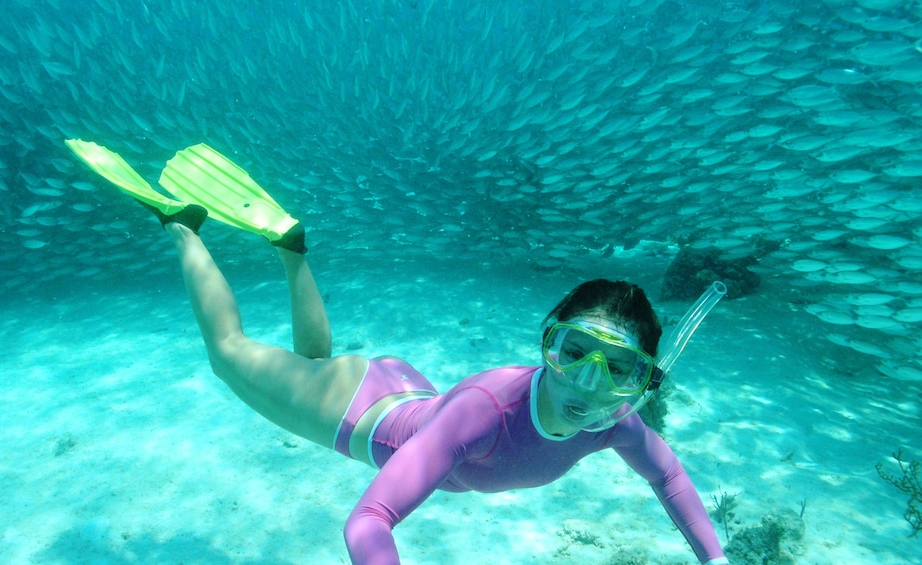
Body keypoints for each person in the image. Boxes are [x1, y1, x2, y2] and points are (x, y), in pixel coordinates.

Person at [67, 141, 729, 564]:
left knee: (313, 357)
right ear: (547, 342)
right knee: (228, 351)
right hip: (362, 412)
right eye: (573, 350)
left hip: (410, 391)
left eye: (618, 368)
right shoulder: (485, 414)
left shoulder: (612, 421)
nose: (587, 380)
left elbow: (668, 478)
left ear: (640, 386)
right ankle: (182, 225)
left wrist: (715, 561)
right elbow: (369, 522)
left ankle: (291, 252)